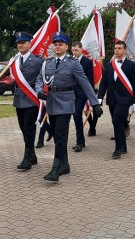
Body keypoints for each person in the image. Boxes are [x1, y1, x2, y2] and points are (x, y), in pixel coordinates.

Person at [34, 32, 103, 182]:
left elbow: (85, 83)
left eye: (61, 44)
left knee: (60, 136)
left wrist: (95, 103)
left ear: (66, 47)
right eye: (56, 44)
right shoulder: (47, 62)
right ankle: (65, 165)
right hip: (51, 101)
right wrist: (39, 91)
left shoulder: (73, 63)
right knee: (58, 136)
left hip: (66, 102)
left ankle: (55, 168)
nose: (57, 47)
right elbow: (39, 79)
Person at [98, 41, 135, 158]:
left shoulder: (132, 65)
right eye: (115, 48)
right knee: (118, 122)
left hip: (125, 98)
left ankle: (118, 149)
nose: (117, 50)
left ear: (125, 50)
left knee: (116, 120)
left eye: (119, 48)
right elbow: (104, 82)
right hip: (112, 99)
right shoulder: (109, 65)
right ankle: (124, 146)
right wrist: (100, 97)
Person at [9, 31, 43, 171]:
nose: (21, 45)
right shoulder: (14, 61)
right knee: (23, 128)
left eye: (23, 42)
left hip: (31, 100)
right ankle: (33, 155)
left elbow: (42, 78)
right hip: (18, 100)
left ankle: (27, 158)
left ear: (30, 44)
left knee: (29, 128)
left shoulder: (37, 61)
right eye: (19, 43)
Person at [70, 41, 95, 152]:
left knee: (76, 115)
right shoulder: (69, 61)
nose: (75, 52)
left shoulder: (87, 62)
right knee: (75, 116)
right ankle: (81, 141)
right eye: (73, 50)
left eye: (77, 50)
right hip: (71, 93)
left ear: (81, 49)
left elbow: (90, 79)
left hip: (82, 93)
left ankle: (80, 142)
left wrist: (89, 95)